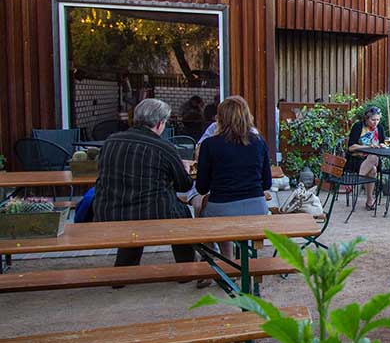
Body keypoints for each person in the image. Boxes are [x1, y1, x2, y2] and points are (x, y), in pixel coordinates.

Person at [91, 99, 204, 281]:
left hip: (109, 211)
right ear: (160, 123)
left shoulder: (111, 142)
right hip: (153, 212)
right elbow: (184, 185)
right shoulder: (164, 147)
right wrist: (182, 170)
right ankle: (187, 269)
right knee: (180, 214)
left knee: (136, 216)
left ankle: (122, 272)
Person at [195, 96, 273, 259]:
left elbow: (201, 187)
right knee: (222, 216)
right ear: (247, 116)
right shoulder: (259, 143)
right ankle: (237, 263)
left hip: (222, 207)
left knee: (203, 212)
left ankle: (220, 259)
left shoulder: (209, 144)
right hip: (256, 208)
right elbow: (267, 183)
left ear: (220, 118)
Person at [345, 105, 388, 210]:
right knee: (372, 170)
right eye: (373, 120)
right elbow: (351, 147)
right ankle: (369, 200)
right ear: (366, 118)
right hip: (357, 160)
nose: (375, 122)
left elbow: (382, 143)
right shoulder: (358, 126)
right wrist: (368, 146)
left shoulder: (380, 128)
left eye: (378, 120)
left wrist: (382, 145)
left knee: (373, 157)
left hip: (374, 159)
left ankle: (355, 184)